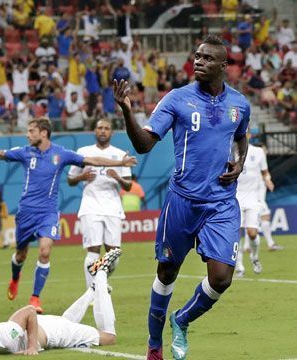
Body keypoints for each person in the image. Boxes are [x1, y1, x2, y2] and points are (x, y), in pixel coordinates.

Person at [114, 35, 250, 360]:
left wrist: (240, 163)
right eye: (197, 57)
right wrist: (127, 112)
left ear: (222, 65)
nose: (198, 62)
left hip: (221, 203)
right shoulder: (177, 99)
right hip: (183, 201)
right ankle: (154, 344)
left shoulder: (240, 104)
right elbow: (144, 145)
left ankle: (182, 319)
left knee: (221, 279)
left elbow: (242, 137)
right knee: (166, 272)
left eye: (206, 58)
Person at [0, 118, 137, 313]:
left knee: (45, 251)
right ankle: (15, 277)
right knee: (21, 255)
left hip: (48, 212)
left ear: (43, 133)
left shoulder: (61, 153)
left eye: (31, 131)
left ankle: (35, 298)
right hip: (26, 212)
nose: (27, 135)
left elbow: (94, 160)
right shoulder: (24, 152)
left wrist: (120, 162)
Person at [0, 249, 122, 356]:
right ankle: (93, 289)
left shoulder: (2, 338)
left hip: (53, 333)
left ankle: (100, 274)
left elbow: (30, 311)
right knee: (66, 321)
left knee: (109, 338)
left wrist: (31, 348)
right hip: (43, 328)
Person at [68, 118, 132, 290]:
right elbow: (70, 179)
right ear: (94, 131)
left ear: (111, 132)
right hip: (90, 205)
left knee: (114, 254)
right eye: (100, 128)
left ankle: (100, 280)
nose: (103, 131)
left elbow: (128, 185)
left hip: (112, 206)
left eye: (106, 128)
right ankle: (93, 292)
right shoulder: (83, 152)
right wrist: (82, 177)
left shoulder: (119, 154)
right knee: (93, 251)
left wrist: (117, 177)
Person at [234, 137, 273, 277]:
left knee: (252, 233)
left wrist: (268, 180)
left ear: (248, 135)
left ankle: (254, 257)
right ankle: (239, 267)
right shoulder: (229, 151)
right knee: (235, 233)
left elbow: (265, 172)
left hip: (253, 199)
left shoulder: (258, 152)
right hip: (235, 198)